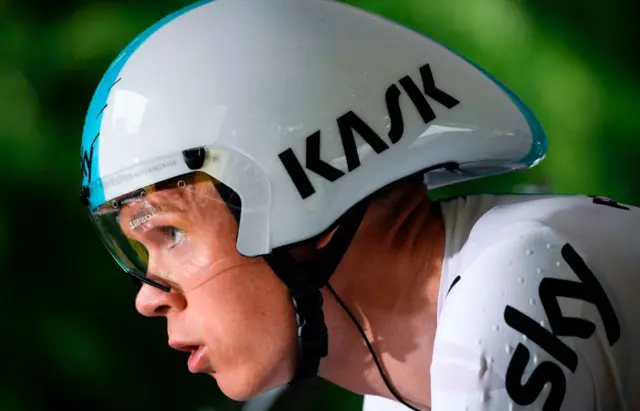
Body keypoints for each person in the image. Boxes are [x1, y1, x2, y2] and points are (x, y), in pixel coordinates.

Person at [77, 0, 640, 410]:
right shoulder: (409, 387)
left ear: (307, 193)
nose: (148, 299)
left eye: (170, 233)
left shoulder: (510, 292)